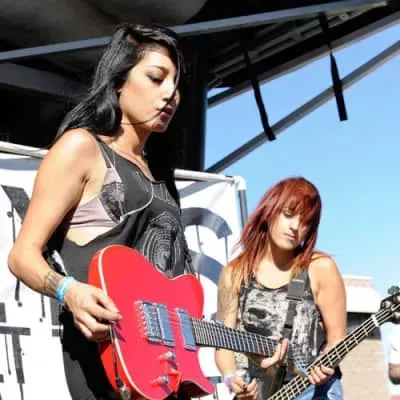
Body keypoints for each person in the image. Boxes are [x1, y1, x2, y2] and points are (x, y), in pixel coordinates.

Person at [7, 23, 286, 400]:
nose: (170, 93)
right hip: (106, 371)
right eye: (156, 78)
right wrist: (69, 291)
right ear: (118, 82)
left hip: (162, 380)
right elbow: (22, 254)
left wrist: (250, 347)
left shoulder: (162, 179)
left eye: (177, 85)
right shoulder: (82, 148)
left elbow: (175, 309)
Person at [215, 177, 347, 400]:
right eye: (288, 214)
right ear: (269, 211)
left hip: (313, 390)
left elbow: (338, 336)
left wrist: (325, 363)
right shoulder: (234, 272)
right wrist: (231, 378)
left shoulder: (320, 267)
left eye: (305, 222)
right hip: (262, 389)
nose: (295, 226)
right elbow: (222, 344)